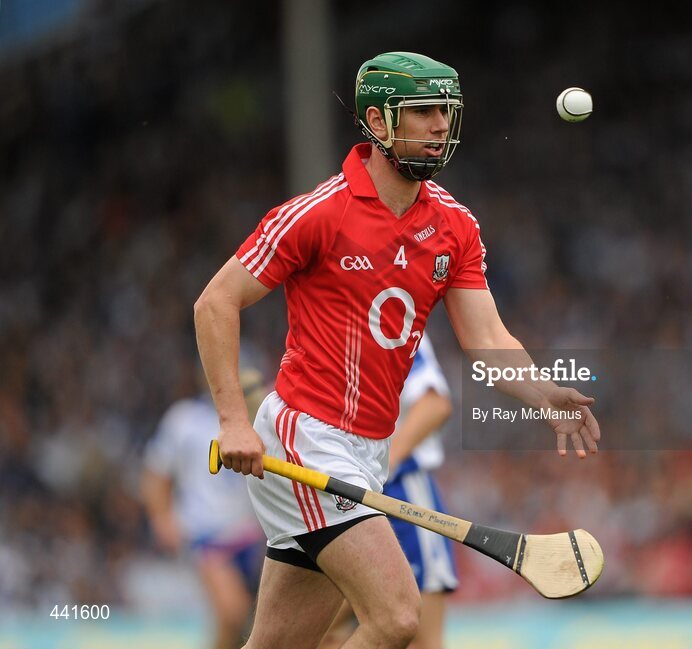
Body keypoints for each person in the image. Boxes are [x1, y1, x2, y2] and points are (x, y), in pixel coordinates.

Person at [194, 51, 601, 649]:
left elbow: (487, 339)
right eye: (423, 112)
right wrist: (232, 420)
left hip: (368, 451)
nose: (440, 126)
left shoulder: (456, 226)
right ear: (379, 123)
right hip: (305, 438)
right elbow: (215, 303)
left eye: (446, 112)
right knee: (398, 618)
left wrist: (540, 392)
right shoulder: (318, 214)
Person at [321, 333, 457, 649]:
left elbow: (434, 404)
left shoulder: (398, 326)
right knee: (322, 632)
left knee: (419, 638)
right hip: (343, 497)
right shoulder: (324, 326)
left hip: (399, 494)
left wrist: (381, 469)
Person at [141, 365, 267, 649]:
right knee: (232, 615)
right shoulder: (184, 419)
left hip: (252, 537)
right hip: (207, 535)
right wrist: (162, 518)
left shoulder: (259, 417)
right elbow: (155, 474)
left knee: (252, 624)